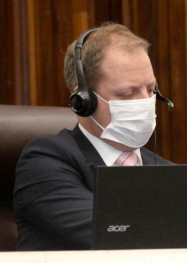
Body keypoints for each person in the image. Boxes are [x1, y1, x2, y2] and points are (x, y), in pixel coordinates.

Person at [14, 22, 172, 251]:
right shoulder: (44, 161)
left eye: (149, 90)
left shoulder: (169, 172)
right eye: (128, 93)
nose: (144, 103)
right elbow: (108, 232)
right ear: (83, 100)